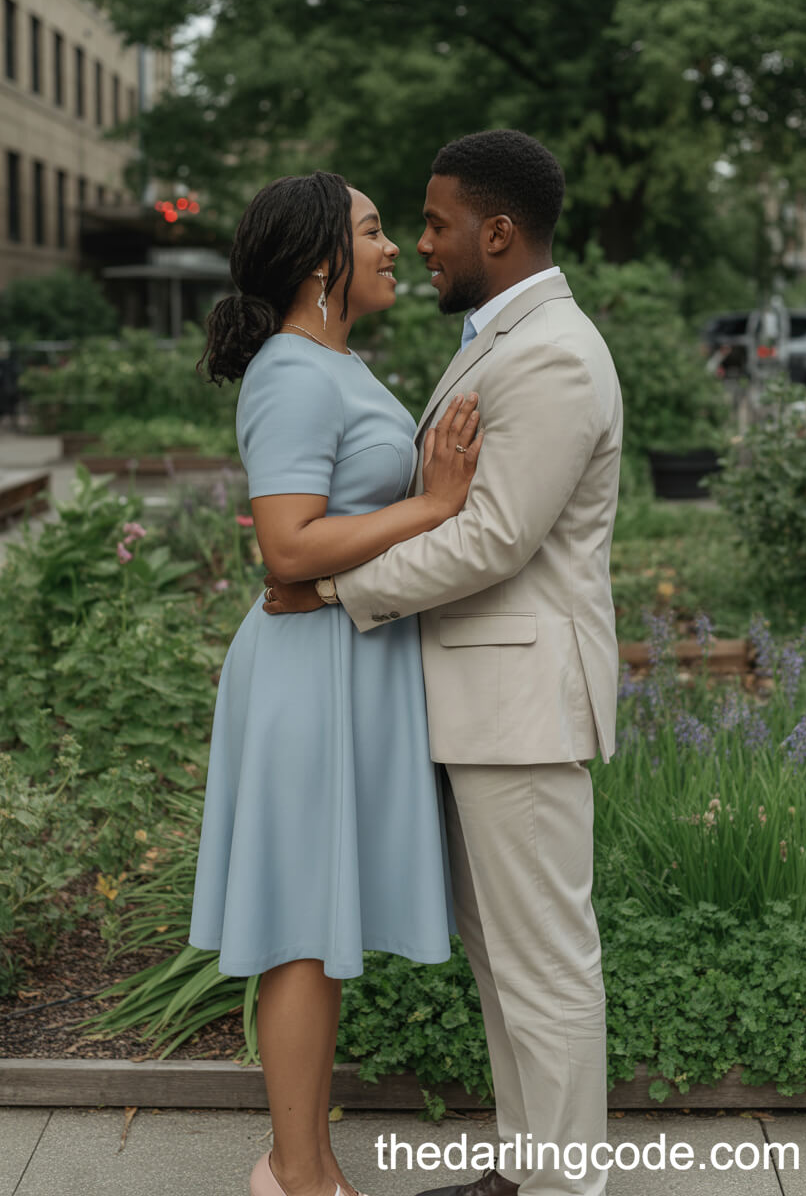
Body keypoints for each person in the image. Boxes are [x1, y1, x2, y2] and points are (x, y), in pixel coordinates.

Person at [262, 130, 624, 1196]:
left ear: (498, 232)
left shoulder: (552, 348)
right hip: (477, 700)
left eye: (435, 223)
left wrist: (328, 589)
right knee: (505, 964)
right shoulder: (499, 336)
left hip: (519, 701)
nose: (420, 244)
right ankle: (524, 1171)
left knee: (545, 964)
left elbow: (493, 538)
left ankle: (560, 1186)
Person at [187, 170, 485, 1196]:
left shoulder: (334, 362)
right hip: (304, 683)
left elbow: (312, 554)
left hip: (336, 663)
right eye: (371, 230)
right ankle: (300, 1176)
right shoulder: (291, 372)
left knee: (316, 930)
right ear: (323, 263)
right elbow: (285, 547)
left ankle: (301, 1164)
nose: (395, 244)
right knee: (303, 936)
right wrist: (435, 504)